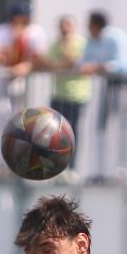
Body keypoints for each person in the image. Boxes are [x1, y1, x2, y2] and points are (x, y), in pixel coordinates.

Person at [80, 11, 127, 182]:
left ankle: (120, 172)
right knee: (100, 130)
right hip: (102, 88)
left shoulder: (115, 37)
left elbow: (125, 64)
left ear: (97, 25)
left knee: (119, 130)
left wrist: (102, 67)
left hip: (120, 86)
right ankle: (100, 170)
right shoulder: (91, 40)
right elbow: (85, 60)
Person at [44, 15, 89, 174]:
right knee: (56, 133)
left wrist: (61, 63)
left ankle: (71, 167)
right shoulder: (55, 44)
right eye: (62, 25)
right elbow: (48, 63)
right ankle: (57, 166)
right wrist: (62, 65)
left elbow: (74, 62)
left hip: (76, 95)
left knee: (73, 133)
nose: (64, 28)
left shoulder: (81, 43)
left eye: (68, 25)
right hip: (58, 94)